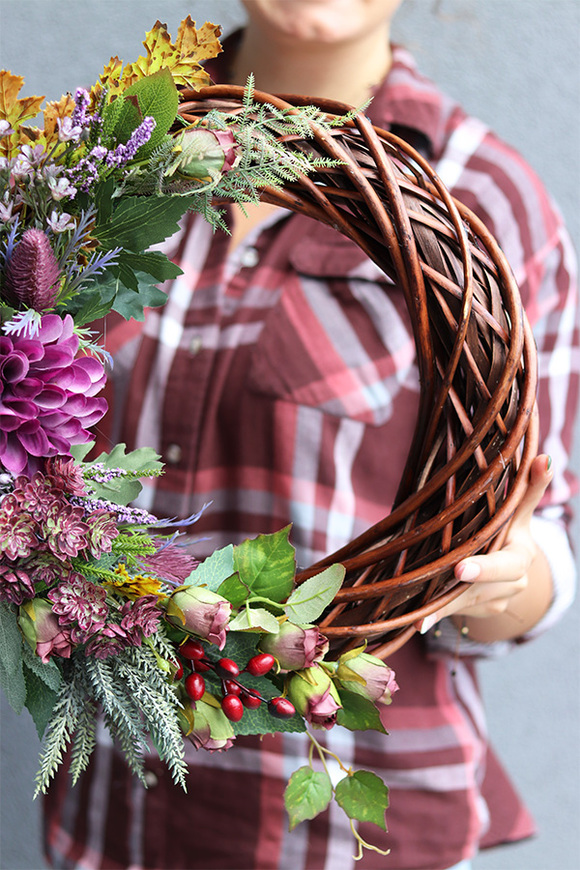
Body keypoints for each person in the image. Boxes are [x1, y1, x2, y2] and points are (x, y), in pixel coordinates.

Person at [43, 1, 579, 868]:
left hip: (352, 819)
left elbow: (543, 541)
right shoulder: (97, 159)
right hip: (117, 802)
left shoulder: (484, 198)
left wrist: (498, 577)